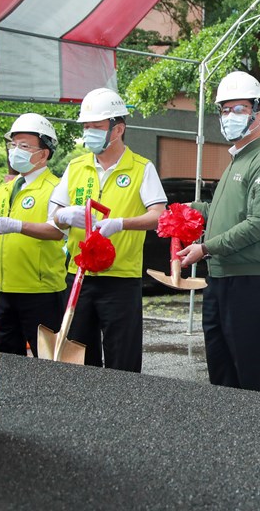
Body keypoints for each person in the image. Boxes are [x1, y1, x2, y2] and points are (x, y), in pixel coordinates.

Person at [177, 71, 260, 393]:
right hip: (223, 277)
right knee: (221, 369)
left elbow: (258, 224)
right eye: (225, 110)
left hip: (252, 281)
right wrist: (189, 211)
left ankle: (257, 440)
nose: (229, 117)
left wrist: (206, 248)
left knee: (252, 374)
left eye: (238, 109)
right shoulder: (239, 159)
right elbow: (223, 213)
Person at [51, 88, 167, 372]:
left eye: (96, 126)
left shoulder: (142, 168)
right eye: (86, 126)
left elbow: (158, 215)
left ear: (118, 129)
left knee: (122, 359)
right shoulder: (76, 167)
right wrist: (64, 215)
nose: (89, 132)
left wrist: (121, 223)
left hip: (121, 278)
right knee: (79, 357)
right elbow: (53, 215)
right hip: (79, 275)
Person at [0, 113, 66, 355]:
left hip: (40, 291)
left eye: (24, 146)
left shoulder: (55, 188)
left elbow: (57, 232)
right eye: (13, 145)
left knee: (47, 362)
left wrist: (15, 225)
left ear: (43, 154)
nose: (16, 151)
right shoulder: (5, 189)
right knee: (5, 360)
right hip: (5, 288)